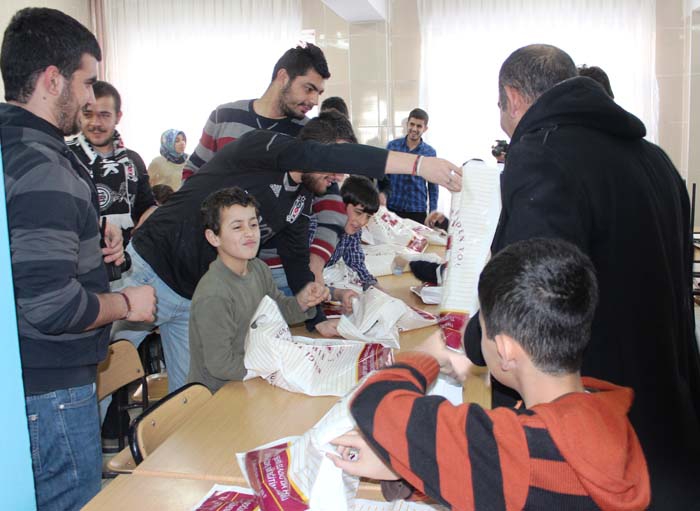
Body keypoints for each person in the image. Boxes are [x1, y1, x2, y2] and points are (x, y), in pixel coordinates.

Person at [462, 43, 700, 506]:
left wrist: (475, 340)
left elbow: (532, 288)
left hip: (593, 427)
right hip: (665, 414)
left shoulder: (542, 155)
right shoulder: (656, 160)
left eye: (500, 108)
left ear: (513, 98)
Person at [111, 120, 460, 394]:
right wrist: (418, 165)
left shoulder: (299, 198)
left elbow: (295, 258)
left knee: (191, 395)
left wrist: (315, 315)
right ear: (312, 151)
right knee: (105, 369)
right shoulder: (264, 148)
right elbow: (323, 158)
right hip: (150, 267)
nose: (338, 175)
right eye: (333, 162)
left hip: (190, 292)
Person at [331, 238, 651, 510]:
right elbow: (494, 484)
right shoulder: (608, 411)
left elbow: (373, 402)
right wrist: (404, 467)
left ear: (505, 350)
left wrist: (426, 356)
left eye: (481, 329)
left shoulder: (518, 448)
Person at [0, 8, 156, 509]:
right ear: (53, 80)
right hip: (51, 390)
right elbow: (52, 306)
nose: (91, 99)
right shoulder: (44, 165)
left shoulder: (19, 145)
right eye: (87, 83)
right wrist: (127, 304)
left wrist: (90, 236)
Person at [188, 188, 327, 392]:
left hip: (254, 376)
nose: (249, 233)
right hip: (221, 392)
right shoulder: (214, 294)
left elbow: (279, 311)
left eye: (253, 224)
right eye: (237, 227)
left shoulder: (258, 268)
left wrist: (302, 302)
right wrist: (271, 367)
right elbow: (220, 365)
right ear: (213, 237)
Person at [181, 43, 330, 181]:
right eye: (309, 89)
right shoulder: (224, 116)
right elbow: (193, 171)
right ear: (283, 77)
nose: (315, 101)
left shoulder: (310, 134)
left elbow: (326, 190)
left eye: (319, 93)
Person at [68, 80, 156, 247]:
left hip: (127, 255)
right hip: (80, 253)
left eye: (104, 115)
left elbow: (146, 206)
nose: (95, 123)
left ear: (118, 117)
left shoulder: (133, 161)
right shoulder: (66, 157)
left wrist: (148, 219)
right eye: (88, 114)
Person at [322, 176, 380, 311]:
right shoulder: (320, 225)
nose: (362, 222)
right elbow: (304, 275)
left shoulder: (353, 230)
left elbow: (356, 262)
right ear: (341, 204)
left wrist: (374, 286)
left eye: (368, 217)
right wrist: (335, 293)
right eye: (358, 212)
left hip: (323, 283)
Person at [385, 108, 437, 224]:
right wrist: (381, 196)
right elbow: (384, 177)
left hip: (417, 210)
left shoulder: (430, 152)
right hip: (393, 208)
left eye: (419, 126)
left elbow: (433, 185)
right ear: (407, 124)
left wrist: (433, 211)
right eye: (412, 124)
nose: (414, 129)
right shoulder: (393, 147)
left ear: (425, 129)